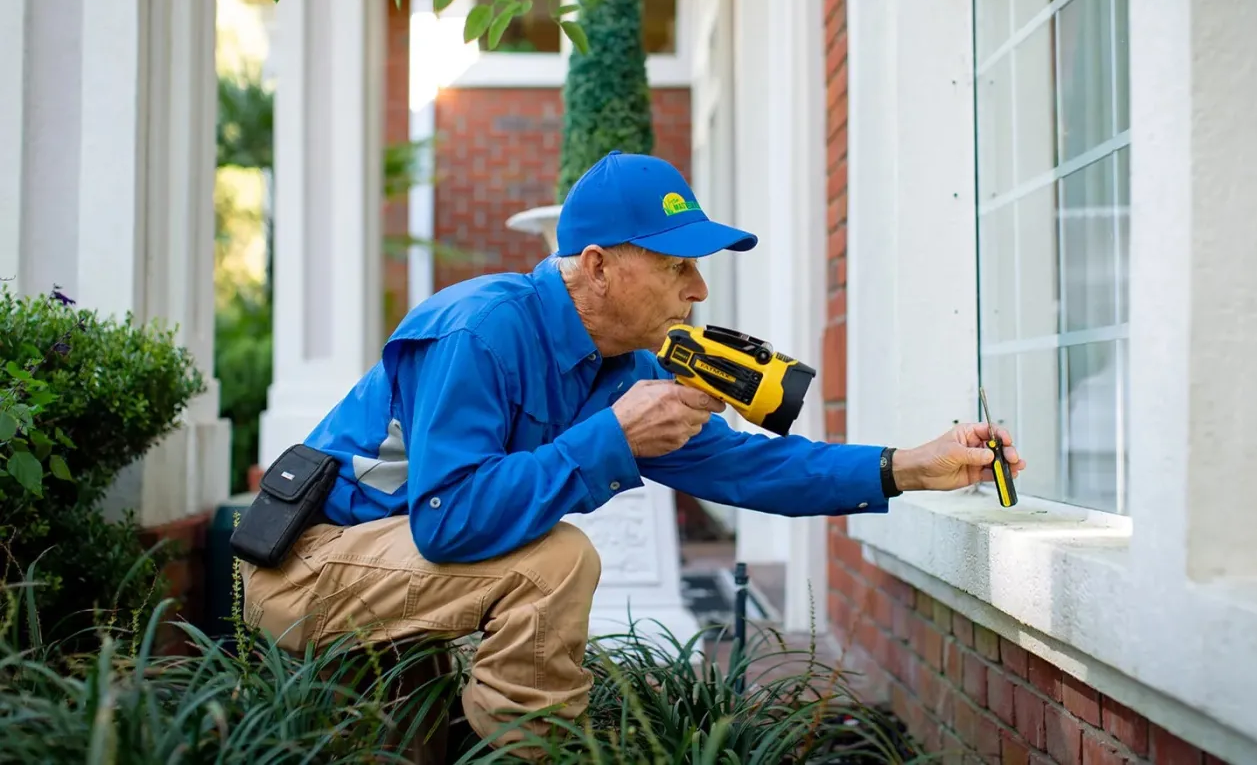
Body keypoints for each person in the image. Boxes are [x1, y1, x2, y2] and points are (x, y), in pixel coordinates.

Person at [240, 150, 1023, 757]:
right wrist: (610, 440)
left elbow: (748, 467)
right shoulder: (480, 330)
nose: (699, 291)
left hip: (396, 562)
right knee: (552, 562)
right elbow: (449, 521)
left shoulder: (629, 368)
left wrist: (909, 468)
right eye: (677, 266)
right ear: (597, 267)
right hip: (309, 564)